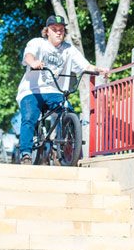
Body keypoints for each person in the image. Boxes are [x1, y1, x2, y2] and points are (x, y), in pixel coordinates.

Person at [16, 14, 108, 164]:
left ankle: (60, 148)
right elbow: (28, 56)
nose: (58, 32)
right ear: (47, 31)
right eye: (54, 29)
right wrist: (33, 63)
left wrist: (99, 69)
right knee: (29, 117)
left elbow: (85, 65)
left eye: (61, 29)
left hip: (55, 92)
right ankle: (25, 153)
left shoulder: (69, 49)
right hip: (32, 90)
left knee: (69, 113)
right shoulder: (38, 43)